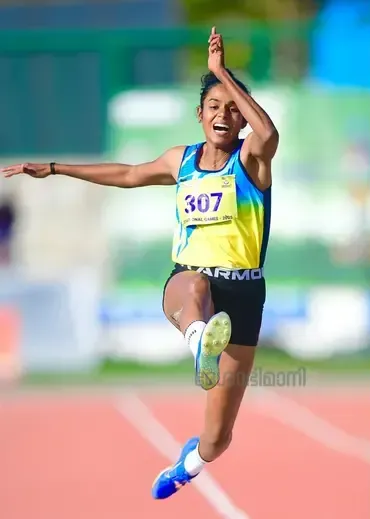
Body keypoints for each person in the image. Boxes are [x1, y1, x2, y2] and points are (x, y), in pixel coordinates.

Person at [2, 27, 278, 499]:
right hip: (192, 279)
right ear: (199, 115)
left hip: (244, 293)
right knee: (191, 287)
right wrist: (54, 167)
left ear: (242, 121)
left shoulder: (252, 160)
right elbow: (127, 174)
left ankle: (188, 465)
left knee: (217, 439)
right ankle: (199, 346)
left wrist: (220, 73)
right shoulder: (181, 161)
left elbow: (269, 131)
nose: (223, 114)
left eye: (233, 108)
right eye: (214, 105)